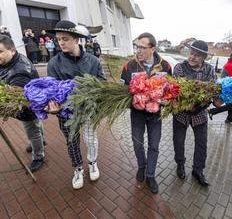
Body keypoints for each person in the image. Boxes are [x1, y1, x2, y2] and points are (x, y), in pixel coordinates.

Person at [46, 20, 106, 189]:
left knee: (91, 139)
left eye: (65, 38)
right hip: (66, 112)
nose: (61, 42)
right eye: (59, 39)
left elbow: (102, 82)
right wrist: (54, 107)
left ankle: (92, 163)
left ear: (77, 39)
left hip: (88, 110)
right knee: (71, 141)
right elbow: (53, 90)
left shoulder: (93, 61)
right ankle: (78, 168)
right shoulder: (54, 63)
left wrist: (93, 94)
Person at [120, 32, 172, 193]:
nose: (138, 50)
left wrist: (166, 100)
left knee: (154, 146)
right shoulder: (129, 66)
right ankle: (141, 166)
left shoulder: (166, 66)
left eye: (142, 47)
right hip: (137, 114)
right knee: (137, 144)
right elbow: (122, 92)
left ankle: (150, 175)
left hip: (156, 114)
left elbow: (170, 89)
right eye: (137, 47)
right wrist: (135, 100)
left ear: (153, 49)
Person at [172, 40, 216, 186]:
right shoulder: (179, 68)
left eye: (197, 55)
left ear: (204, 57)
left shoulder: (209, 70)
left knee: (202, 143)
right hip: (181, 112)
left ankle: (198, 170)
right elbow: (177, 90)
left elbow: (212, 90)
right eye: (191, 53)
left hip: (200, 114)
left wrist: (204, 103)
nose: (192, 57)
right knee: (178, 141)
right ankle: (180, 164)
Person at [0, 35, 45, 172]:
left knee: (32, 131)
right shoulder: (8, 61)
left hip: (28, 108)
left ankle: (38, 156)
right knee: (36, 125)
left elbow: (12, 101)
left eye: (0, 51)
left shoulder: (20, 72)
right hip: (28, 105)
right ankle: (41, 140)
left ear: (12, 50)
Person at [208, 51, 232, 125]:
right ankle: (212, 111)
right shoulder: (231, 66)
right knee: (231, 104)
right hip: (229, 89)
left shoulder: (230, 64)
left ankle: (230, 118)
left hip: (227, 88)